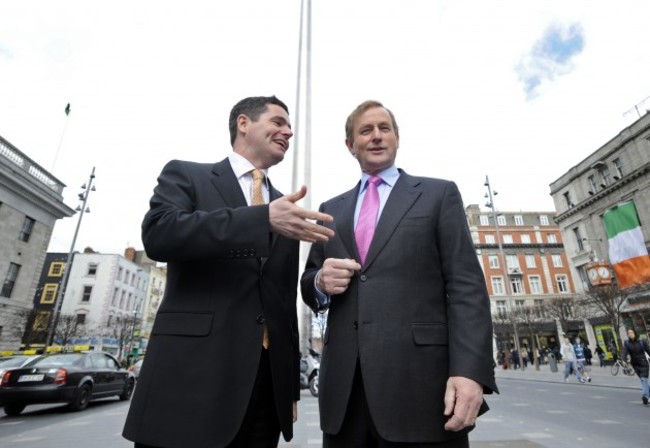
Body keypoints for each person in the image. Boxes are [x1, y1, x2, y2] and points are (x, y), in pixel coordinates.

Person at [122, 96, 335, 448]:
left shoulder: (285, 205)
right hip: (189, 381)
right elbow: (160, 234)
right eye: (278, 121)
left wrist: (287, 385)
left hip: (263, 391)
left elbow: (279, 300)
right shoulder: (188, 175)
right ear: (243, 123)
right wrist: (260, 219)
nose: (289, 131)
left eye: (289, 125)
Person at [300, 100, 497, 447]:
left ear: (396, 138)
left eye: (384, 128)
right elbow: (309, 282)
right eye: (366, 130)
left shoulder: (438, 194)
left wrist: (470, 372)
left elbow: (466, 287)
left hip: (421, 388)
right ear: (350, 145)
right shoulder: (331, 210)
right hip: (345, 396)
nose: (376, 136)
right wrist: (319, 282)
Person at [621, 328, 650, 405]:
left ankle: (645, 396)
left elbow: (648, 351)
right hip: (635, 364)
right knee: (643, 380)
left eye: (631, 332)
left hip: (644, 363)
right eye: (629, 333)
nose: (630, 334)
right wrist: (623, 359)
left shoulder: (641, 342)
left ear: (635, 333)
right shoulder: (627, 343)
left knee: (644, 379)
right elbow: (624, 352)